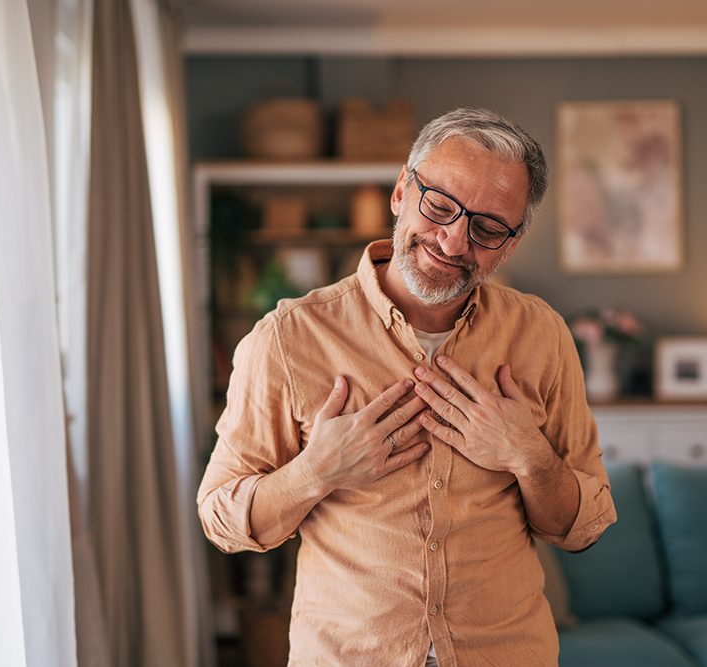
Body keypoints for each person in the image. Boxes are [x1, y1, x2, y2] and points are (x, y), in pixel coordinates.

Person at [197, 107, 616, 666]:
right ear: (401, 191)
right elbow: (222, 520)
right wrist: (317, 471)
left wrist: (529, 457)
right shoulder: (287, 339)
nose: (453, 240)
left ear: (511, 244)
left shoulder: (542, 335)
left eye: (488, 227)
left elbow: (580, 527)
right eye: (440, 205)